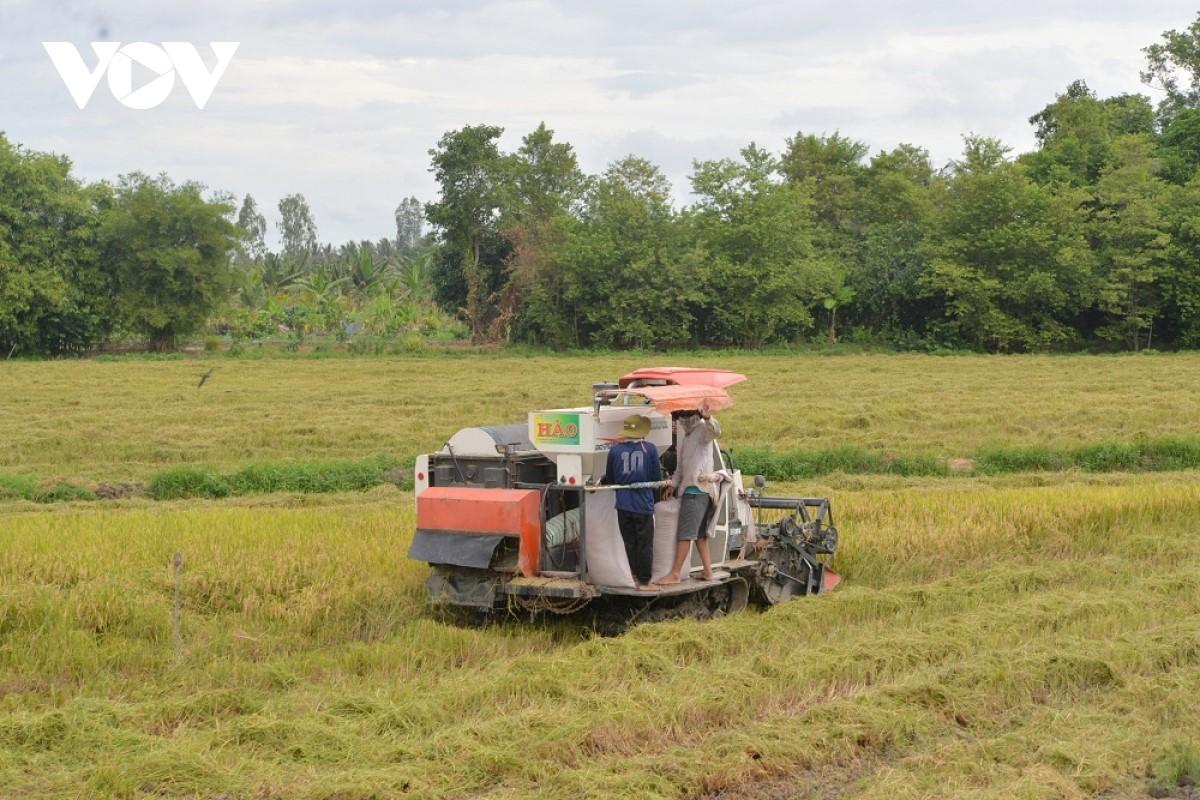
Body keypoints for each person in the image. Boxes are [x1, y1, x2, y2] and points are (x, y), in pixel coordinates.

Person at [656, 404, 721, 585]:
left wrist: (708, 417)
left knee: (685, 533)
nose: (682, 421)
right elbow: (680, 468)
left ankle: (675, 573)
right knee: (700, 535)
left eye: (683, 417)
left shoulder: (702, 430)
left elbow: (715, 432)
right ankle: (708, 572)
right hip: (690, 488)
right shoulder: (687, 436)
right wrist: (673, 485)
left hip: (697, 490)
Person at [604, 414, 661, 590]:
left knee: (629, 542)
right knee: (644, 543)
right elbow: (655, 478)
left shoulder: (614, 450)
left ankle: (632, 575)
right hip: (643, 503)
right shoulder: (650, 449)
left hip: (622, 503)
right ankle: (644, 581)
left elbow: (610, 478)